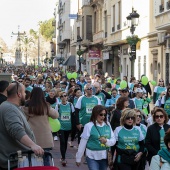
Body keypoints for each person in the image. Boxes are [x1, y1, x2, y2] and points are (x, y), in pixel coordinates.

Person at [0, 82, 44, 169]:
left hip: (18, 159)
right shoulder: (9, 109)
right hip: (15, 162)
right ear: (19, 94)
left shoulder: (11, 107)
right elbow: (16, 130)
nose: (25, 94)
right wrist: (33, 145)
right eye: (24, 92)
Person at [21, 87, 59, 166]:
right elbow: (56, 115)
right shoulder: (45, 106)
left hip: (30, 139)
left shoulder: (25, 107)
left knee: (30, 162)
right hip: (45, 138)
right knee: (46, 161)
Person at [76, 105, 116, 170]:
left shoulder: (108, 124)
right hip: (92, 156)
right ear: (95, 114)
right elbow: (83, 143)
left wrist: (106, 141)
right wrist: (78, 158)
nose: (103, 116)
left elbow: (113, 140)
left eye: (104, 115)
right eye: (101, 114)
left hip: (104, 156)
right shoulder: (88, 126)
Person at [56, 91, 75, 166]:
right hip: (61, 127)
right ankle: (63, 158)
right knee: (62, 141)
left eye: (65, 96)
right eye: (62, 96)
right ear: (60, 98)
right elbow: (56, 116)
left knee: (66, 141)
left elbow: (73, 115)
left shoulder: (70, 105)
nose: (64, 97)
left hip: (68, 126)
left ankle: (63, 155)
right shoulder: (58, 105)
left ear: (67, 97)